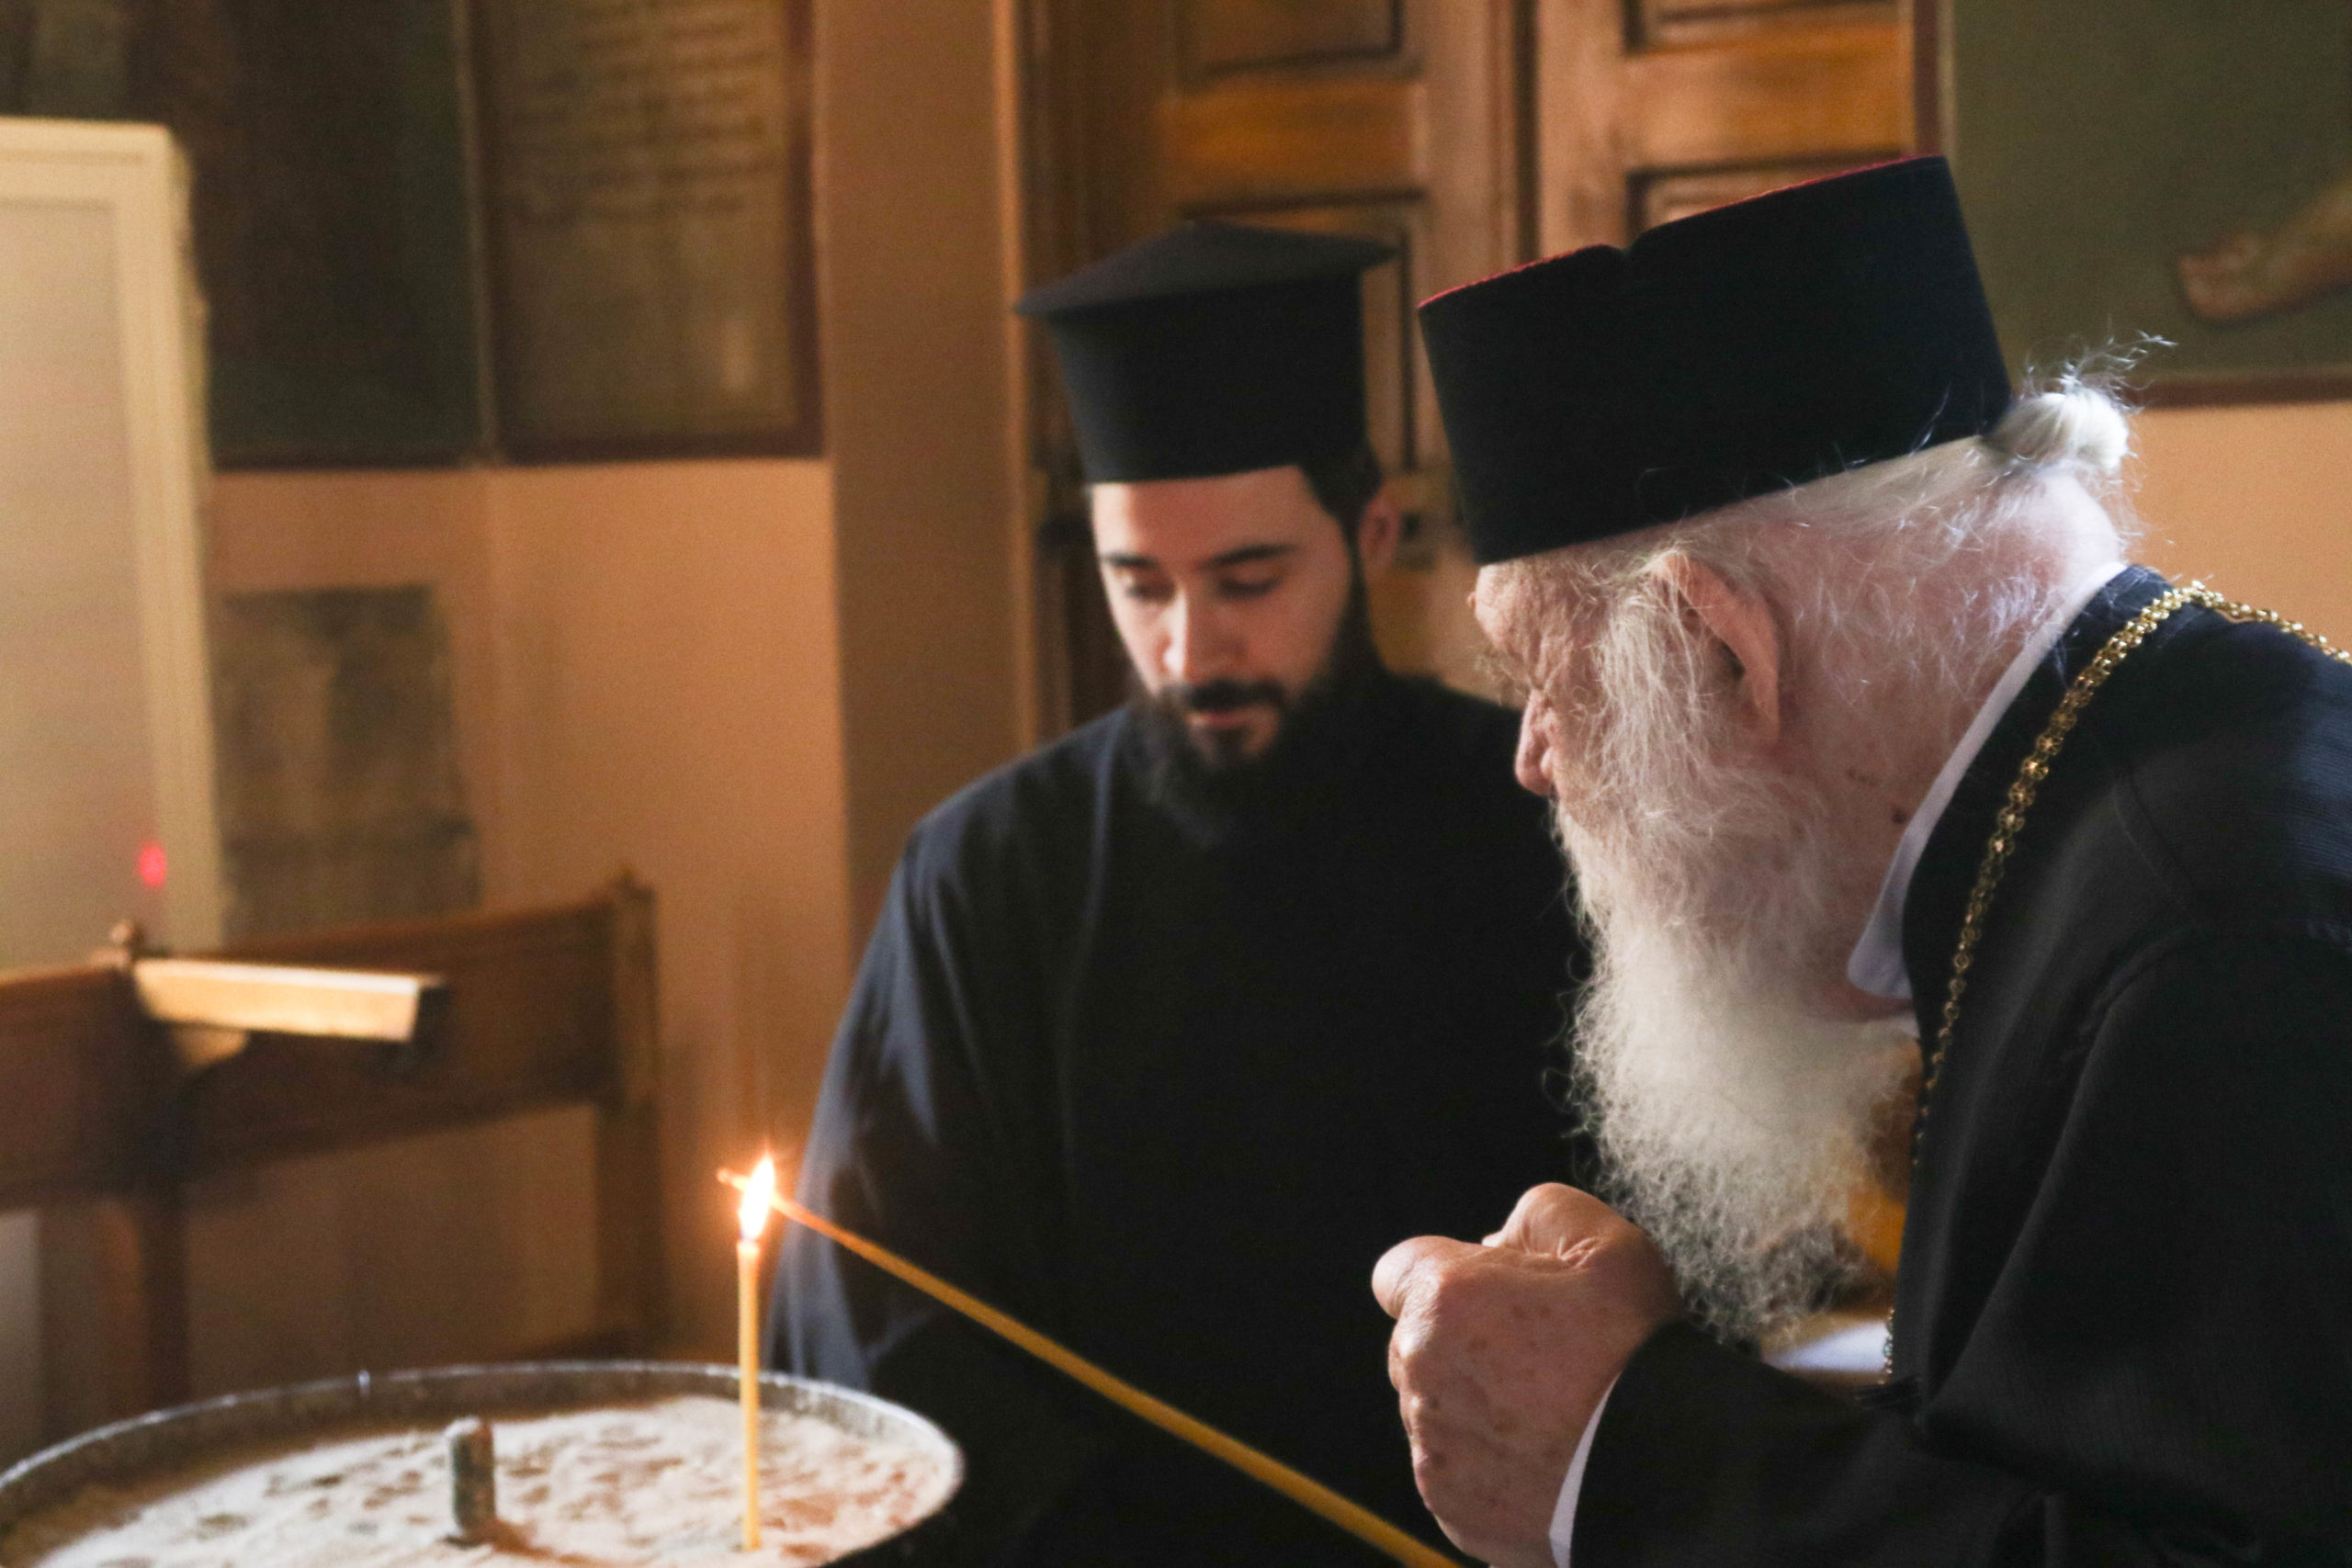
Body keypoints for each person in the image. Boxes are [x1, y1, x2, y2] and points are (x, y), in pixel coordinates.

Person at [1372, 157, 2352, 1564]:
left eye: (1543, 678)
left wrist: (1625, 1447)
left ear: (1723, 650)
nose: (1532, 756)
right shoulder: (2154, 776)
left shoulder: (2211, 935)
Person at [773, 221, 1589, 1565]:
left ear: (1371, 533)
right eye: (1139, 585)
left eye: (1249, 580)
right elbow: (884, 1317)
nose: (1191, 647)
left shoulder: (1547, 823)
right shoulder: (986, 874)